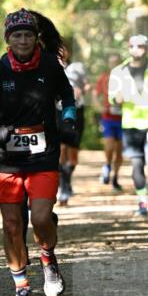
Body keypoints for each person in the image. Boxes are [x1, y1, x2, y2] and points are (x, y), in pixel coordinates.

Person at [0, 9, 75, 296]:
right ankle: (21, 287)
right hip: (6, 158)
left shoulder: (49, 66)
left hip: (43, 154)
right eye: (17, 35)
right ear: (9, 39)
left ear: (36, 37)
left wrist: (68, 119)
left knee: (41, 218)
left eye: (28, 34)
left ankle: (47, 256)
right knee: (12, 225)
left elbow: (67, 98)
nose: (23, 40)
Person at [109, 34, 148, 217]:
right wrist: (117, 98)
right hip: (131, 124)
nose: (137, 49)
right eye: (133, 46)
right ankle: (143, 201)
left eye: (141, 46)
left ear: (147, 48)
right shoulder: (118, 71)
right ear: (128, 48)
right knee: (137, 165)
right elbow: (112, 97)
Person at [57, 44, 88, 205]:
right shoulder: (49, 68)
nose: (60, 53)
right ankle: (64, 188)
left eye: (63, 50)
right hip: (58, 112)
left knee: (73, 155)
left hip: (76, 111)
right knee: (61, 149)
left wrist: (80, 91)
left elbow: (86, 86)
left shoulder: (77, 68)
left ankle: (67, 181)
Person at [93, 52, 123, 192]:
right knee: (110, 147)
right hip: (108, 119)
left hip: (124, 119)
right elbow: (95, 95)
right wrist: (100, 108)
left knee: (119, 151)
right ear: (109, 64)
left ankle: (115, 178)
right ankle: (107, 165)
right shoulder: (104, 78)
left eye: (117, 62)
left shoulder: (127, 79)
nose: (115, 64)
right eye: (112, 62)